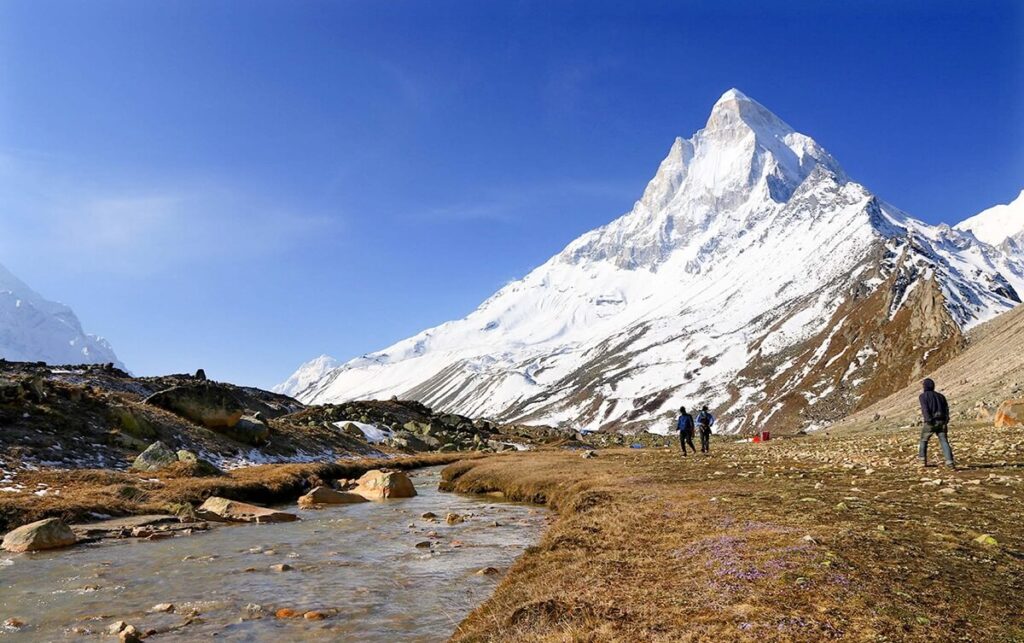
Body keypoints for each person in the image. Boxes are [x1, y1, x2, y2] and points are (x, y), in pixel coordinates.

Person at [918, 378, 955, 468]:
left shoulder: (923, 396)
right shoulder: (941, 396)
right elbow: (946, 409)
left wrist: (928, 419)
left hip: (931, 422)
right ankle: (949, 462)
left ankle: (922, 461)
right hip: (942, 422)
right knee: (944, 441)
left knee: (924, 440)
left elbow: (925, 409)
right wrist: (946, 419)